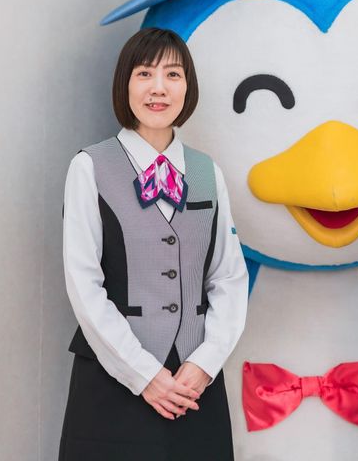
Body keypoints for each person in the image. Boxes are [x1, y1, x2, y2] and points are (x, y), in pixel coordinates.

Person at [59, 27, 248, 460]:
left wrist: (205, 363)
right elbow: (84, 285)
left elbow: (228, 277)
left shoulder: (207, 172)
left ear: (188, 87)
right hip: (112, 382)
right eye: (144, 73)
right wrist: (143, 374)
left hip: (194, 386)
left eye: (173, 75)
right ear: (124, 84)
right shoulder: (89, 167)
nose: (159, 88)